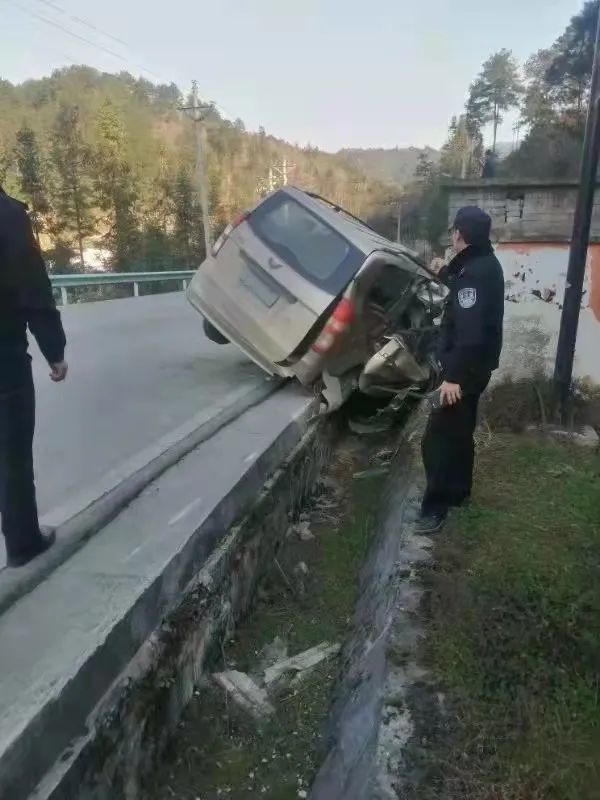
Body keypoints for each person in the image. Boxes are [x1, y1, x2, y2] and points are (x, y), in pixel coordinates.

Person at [416, 206, 504, 534]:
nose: (452, 235)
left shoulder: (475, 275)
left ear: (460, 235)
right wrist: (444, 274)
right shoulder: (482, 265)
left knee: (437, 439)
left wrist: (452, 378)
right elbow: (466, 300)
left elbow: (470, 333)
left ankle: (434, 509)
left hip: (462, 370)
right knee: (460, 431)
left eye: (454, 231)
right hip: (473, 367)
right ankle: (459, 493)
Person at [0, 187, 68, 567]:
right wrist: (54, 350)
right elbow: (32, 288)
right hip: (3, 359)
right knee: (11, 454)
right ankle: (23, 541)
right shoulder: (7, 216)